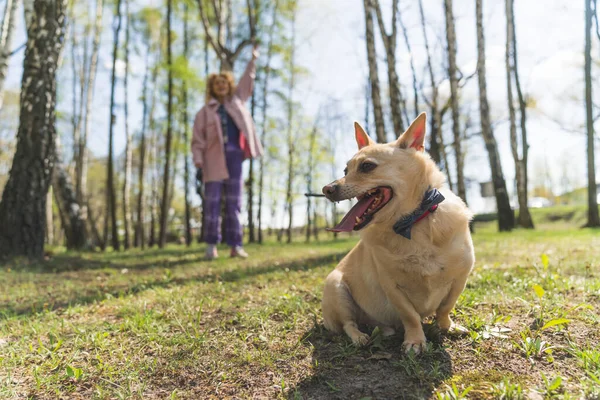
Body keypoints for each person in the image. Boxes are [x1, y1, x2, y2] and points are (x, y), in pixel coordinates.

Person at [192, 46, 263, 260]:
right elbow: (197, 139)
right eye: (217, 84)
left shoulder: (237, 101)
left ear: (229, 85)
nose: (221, 86)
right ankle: (211, 246)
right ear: (212, 88)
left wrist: (253, 60)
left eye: (224, 83)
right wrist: (198, 161)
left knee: (235, 202)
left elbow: (247, 80)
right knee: (212, 202)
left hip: (235, 158)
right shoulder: (204, 112)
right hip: (212, 160)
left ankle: (236, 245)